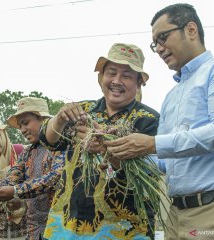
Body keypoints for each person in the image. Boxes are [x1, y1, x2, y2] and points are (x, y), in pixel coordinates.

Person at [105, 4, 214, 239]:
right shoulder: (172, 96)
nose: (159, 49)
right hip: (177, 214)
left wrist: (152, 144)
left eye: (162, 37)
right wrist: (118, 153)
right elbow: (164, 163)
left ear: (191, 29)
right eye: (155, 44)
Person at [39, 43, 159, 239]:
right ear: (101, 77)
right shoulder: (82, 110)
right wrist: (59, 120)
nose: (116, 81)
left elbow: (147, 174)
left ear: (138, 83)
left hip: (123, 228)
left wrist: (106, 149)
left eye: (127, 76)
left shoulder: (150, 120)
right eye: (111, 73)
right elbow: (48, 141)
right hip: (68, 225)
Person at [0, 97, 65, 240]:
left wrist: (16, 191)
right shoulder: (27, 152)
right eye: (20, 126)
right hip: (34, 231)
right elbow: (10, 180)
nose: (22, 130)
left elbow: (53, 178)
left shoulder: (62, 145)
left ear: (42, 119)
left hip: (60, 229)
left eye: (25, 123)